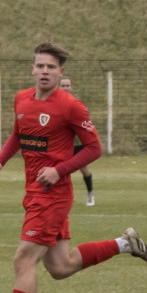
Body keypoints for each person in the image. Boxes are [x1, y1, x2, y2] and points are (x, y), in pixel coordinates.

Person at [0, 42, 147, 293]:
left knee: (23, 260)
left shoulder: (71, 106)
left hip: (53, 195)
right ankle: (125, 243)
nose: (44, 71)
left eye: (51, 67)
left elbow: (93, 148)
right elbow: (18, 134)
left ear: (61, 73)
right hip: (34, 192)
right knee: (60, 266)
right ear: (32, 69)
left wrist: (59, 171)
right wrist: (0, 161)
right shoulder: (21, 99)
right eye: (40, 66)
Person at [59, 76, 95, 206]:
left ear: (71, 87)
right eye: (63, 86)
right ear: (59, 87)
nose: (65, 88)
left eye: (67, 85)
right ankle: (66, 197)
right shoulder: (54, 105)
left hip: (78, 144)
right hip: (62, 144)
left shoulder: (76, 104)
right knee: (62, 170)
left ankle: (90, 194)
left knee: (83, 169)